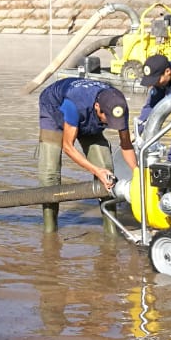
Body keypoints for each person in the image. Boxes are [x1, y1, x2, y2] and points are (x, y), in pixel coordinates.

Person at [37, 78, 138, 231]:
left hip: (88, 116)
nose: (111, 125)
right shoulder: (74, 104)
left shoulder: (119, 105)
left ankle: (111, 230)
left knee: (107, 170)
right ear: (98, 107)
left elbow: (126, 144)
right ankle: (50, 231)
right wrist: (96, 171)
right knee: (50, 175)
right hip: (54, 108)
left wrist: (137, 173)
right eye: (108, 120)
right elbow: (68, 147)